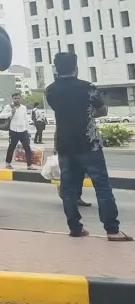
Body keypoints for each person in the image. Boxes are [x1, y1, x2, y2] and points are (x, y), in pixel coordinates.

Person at [45, 51, 131, 241]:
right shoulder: (88, 88)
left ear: (57, 69)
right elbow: (101, 110)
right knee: (102, 187)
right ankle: (112, 230)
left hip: (65, 145)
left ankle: (75, 228)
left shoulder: (50, 90)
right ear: (76, 68)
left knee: (68, 188)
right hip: (89, 143)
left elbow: (60, 111)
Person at [0, 92, 36, 170]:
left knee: (27, 148)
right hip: (13, 131)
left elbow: (26, 119)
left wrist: (28, 131)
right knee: (11, 147)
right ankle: (7, 163)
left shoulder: (23, 107)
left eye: (18, 98)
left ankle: (29, 165)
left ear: (21, 99)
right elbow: (1, 116)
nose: (17, 100)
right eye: (15, 98)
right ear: (12, 99)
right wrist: (10, 113)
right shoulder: (9, 107)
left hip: (23, 131)